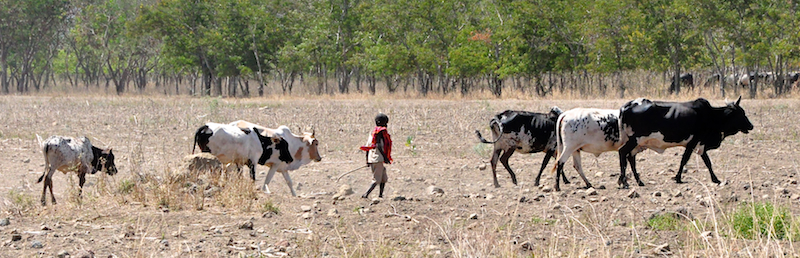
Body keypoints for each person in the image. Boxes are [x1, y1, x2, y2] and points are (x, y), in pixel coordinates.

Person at [359, 113, 392, 198]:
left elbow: (367, 147)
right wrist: (385, 157)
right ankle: (366, 194)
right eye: (385, 123)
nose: (386, 125)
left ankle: (380, 195)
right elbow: (378, 145)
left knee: (383, 178)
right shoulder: (380, 132)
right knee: (377, 179)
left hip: (373, 158)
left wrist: (367, 160)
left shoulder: (372, 133)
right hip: (378, 159)